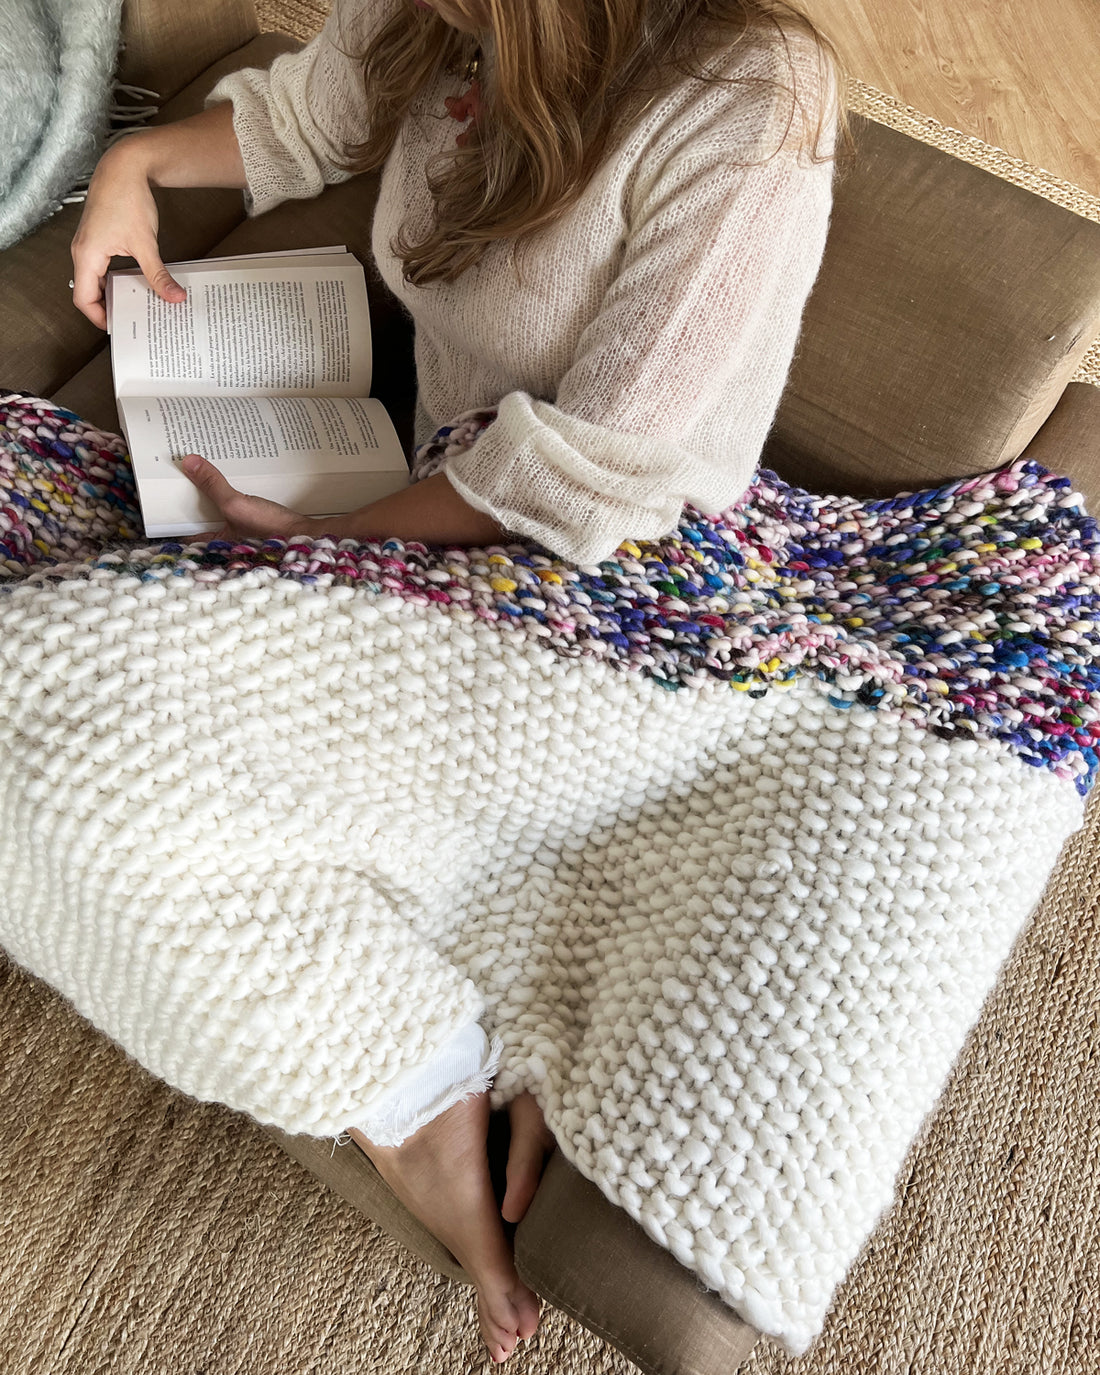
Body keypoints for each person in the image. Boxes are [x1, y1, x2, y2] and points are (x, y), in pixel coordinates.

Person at [70, 0, 846, 1361]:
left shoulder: (751, 95)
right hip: (442, 506)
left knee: (135, 745)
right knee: (89, 709)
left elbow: (590, 471)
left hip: (624, 573)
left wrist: (334, 543)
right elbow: (310, 117)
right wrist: (131, 168)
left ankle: (426, 1082)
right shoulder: (437, 14)